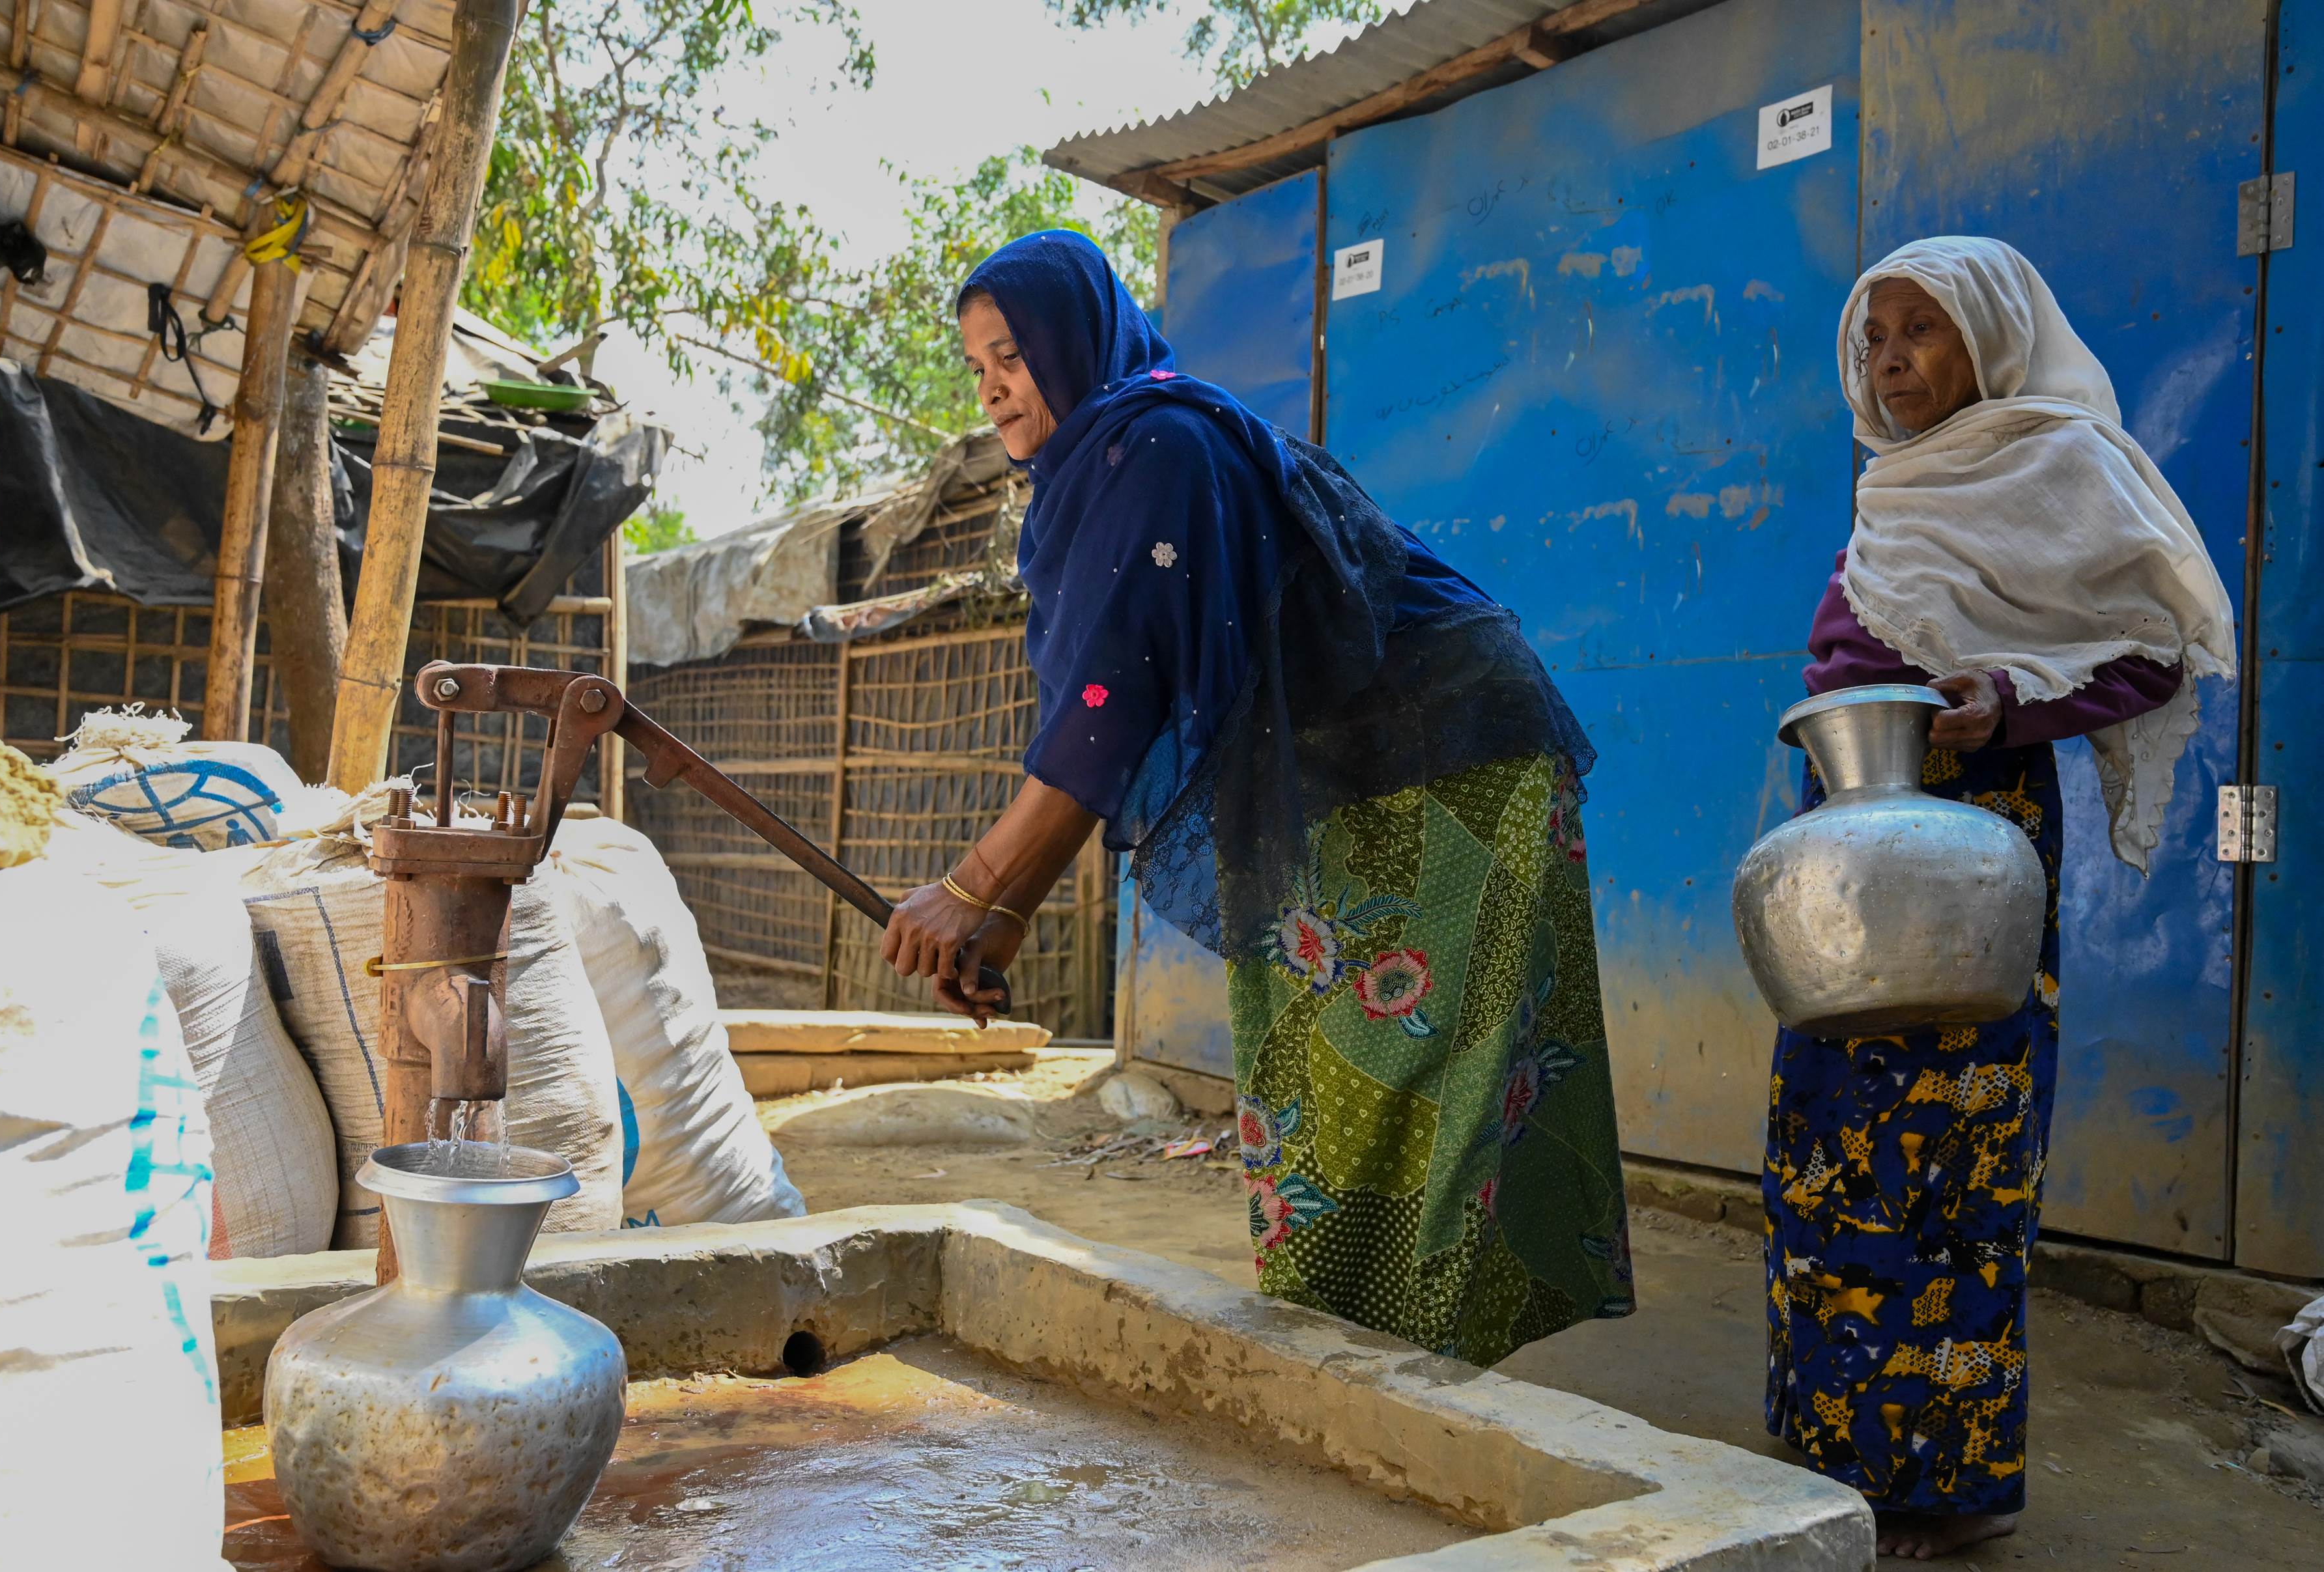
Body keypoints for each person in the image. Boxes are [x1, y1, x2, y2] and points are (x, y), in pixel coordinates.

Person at [881, 229, 1632, 1366]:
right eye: (977, 363)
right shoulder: (1102, 473)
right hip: (1348, 771)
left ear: (1075, 341)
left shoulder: (1162, 446)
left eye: (1013, 355)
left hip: (1456, 752)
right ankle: (1352, 1361)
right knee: (1317, 1071)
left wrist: (973, 886)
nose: (990, 387)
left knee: (1419, 1078)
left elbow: (1107, 705)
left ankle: (1405, 1382)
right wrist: (1003, 915)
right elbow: (1107, 708)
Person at [1763, 237, 2237, 1560]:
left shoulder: (2055, 460)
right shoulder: (1891, 489)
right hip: (1848, 836)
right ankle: (1827, 1449)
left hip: (1970, 840)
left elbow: (2153, 646)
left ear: (1992, 339)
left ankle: (1947, 1486)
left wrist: (2009, 700)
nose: (1891, 359)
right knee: (1824, 1140)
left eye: (1922, 329)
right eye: (1874, 335)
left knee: (1948, 1163)